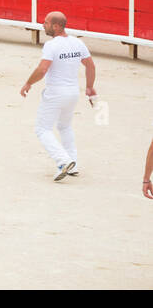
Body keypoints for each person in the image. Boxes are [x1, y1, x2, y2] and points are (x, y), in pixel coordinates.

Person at [20, 11, 95, 182]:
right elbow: (90, 66)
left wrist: (28, 83)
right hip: (72, 93)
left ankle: (63, 161)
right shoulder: (77, 42)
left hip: (55, 93)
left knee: (42, 129)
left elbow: (42, 69)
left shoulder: (51, 46)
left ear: (55, 26)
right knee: (65, 127)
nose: (43, 25)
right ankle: (73, 164)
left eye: (45, 22)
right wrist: (89, 87)